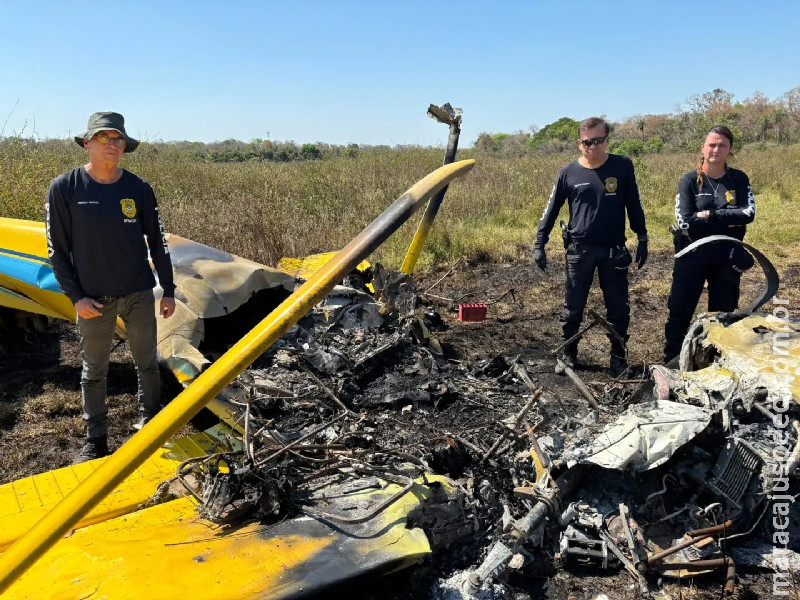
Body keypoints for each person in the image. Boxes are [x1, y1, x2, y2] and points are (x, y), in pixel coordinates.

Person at [46, 112, 176, 463]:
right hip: (92, 300)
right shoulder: (65, 188)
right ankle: (96, 441)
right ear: (87, 143)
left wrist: (169, 289)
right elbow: (56, 250)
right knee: (94, 371)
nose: (112, 145)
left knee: (147, 363)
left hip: (137, 293)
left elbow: (158, 242)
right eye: (103, 138)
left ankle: (150, 424)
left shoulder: (138, 189)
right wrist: (76, 297)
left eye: (117, 139)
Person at [534, 117, 648, 375]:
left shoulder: (622, 166)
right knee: (573, 307)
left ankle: (618, 357)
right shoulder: (568, 173)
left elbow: (634, 204)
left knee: (618, 308)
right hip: (580, 250)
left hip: (613, 250)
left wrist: (642, 237)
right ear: (579, 144)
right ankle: (568, 353)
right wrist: (540, 243)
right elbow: (550, 210)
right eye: (587, 142)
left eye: (598, 141)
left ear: (607, 140)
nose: (593, 146)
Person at [663, 125, 755, 362]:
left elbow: (748, 214)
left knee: (723, 314)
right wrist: (727, 217)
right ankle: (671, 360)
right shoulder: (689, 180)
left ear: (730, 149)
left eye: (722, 145)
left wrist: (711, 216)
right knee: (680, 311)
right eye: (712, 144)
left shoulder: (738, 178)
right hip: (692, 253)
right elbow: (685, 222)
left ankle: (715, 360)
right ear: (703, 148)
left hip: (727, 255)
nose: (716, 149)